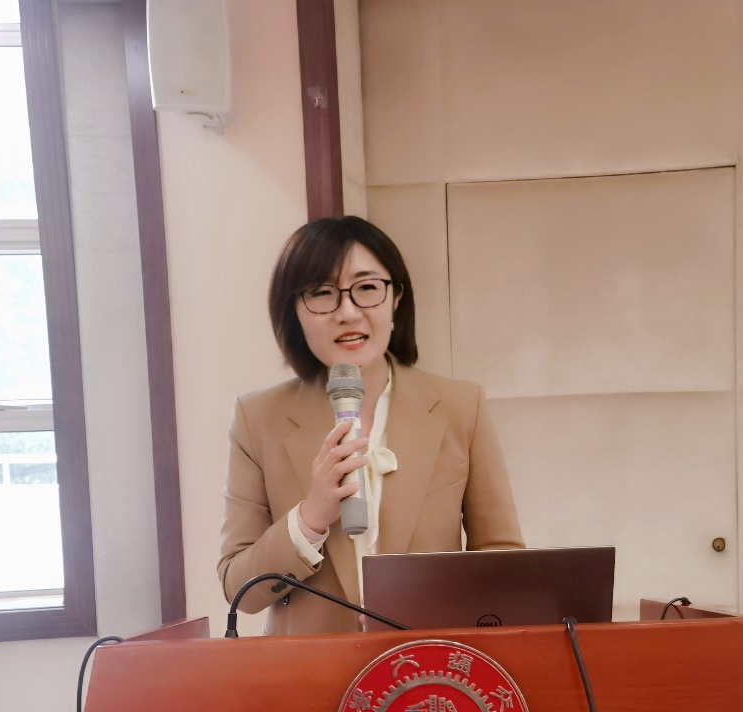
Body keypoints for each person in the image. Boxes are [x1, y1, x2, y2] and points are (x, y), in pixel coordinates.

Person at [218, 216, 524, 635]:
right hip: (306, 669)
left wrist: (444, 612)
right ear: (294, 310)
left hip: (428, 663)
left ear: (396, 297)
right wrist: (309, 519)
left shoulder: (460, 407)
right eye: (322, 293)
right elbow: (239, 589)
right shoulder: (258, 418)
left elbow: (504, 563)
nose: (348, 312)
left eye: (366, 288)